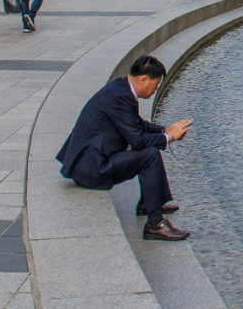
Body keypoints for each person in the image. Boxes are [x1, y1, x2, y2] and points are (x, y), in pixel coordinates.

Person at [56, 55, 194, 241]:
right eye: (156, 84)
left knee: (150, 150)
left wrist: (165, 130)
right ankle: (155, 224)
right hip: (92, 169)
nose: (156, 89)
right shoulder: (121, 97)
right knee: (150, 155)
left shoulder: (120, 89)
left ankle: (148, 204)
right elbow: (137, 140)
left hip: (91, 161)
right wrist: (169, 137)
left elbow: (138, 123)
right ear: (143, 79)